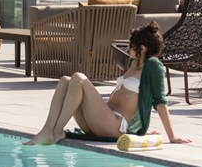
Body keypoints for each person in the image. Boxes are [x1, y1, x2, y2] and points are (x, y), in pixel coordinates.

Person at [25, 21, 189, 145]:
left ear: (143, 48)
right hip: (102, 119)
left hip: (115, 125)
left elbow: (160, 102)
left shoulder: (153, 66)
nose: (128, 49)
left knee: (79, 78)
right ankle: (48, 130)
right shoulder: (134, 64)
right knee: (65, 81)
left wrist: (172, 136)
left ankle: (56, 131)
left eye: (132, 46)